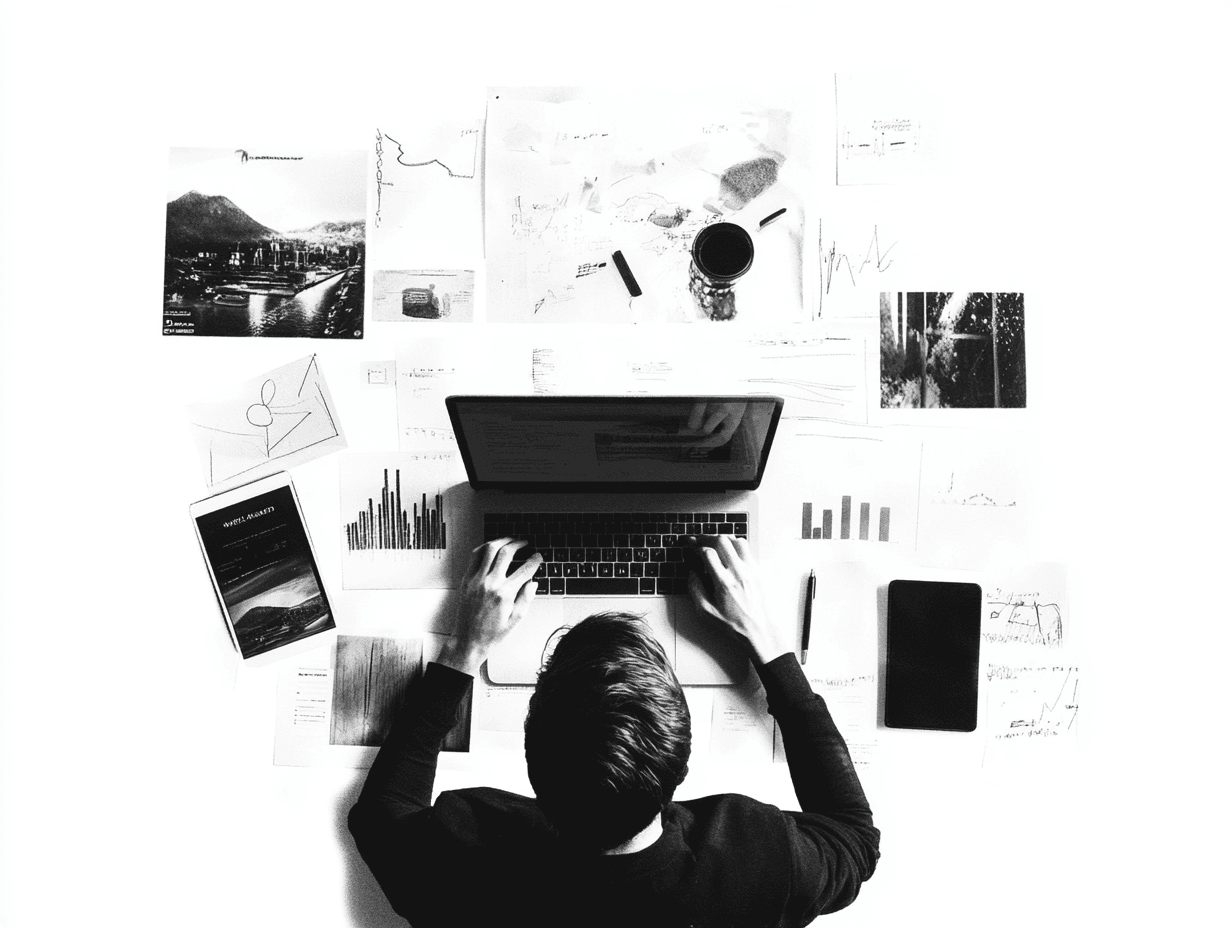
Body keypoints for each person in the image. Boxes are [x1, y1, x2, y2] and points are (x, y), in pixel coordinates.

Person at [348, 535, 880, 927]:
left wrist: (464, 650)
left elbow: (381, 815)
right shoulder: (757, 862)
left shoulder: (467, 862)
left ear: (531, 759)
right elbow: (855, 839)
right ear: (680, 765)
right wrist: (766, 641)